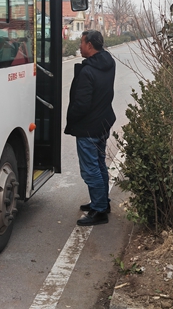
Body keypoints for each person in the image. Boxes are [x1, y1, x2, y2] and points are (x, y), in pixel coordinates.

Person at [65, 30, 116, 226]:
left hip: (88, 127)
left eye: (82, 42)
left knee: (90, 169)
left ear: (90, 45)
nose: (79, 46)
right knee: (99, 164)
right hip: (102, 123)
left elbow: (81, 105)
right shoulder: (107, 63)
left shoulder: (88, 71)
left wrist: (71, 116)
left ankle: (99, 210)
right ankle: (102, 202)